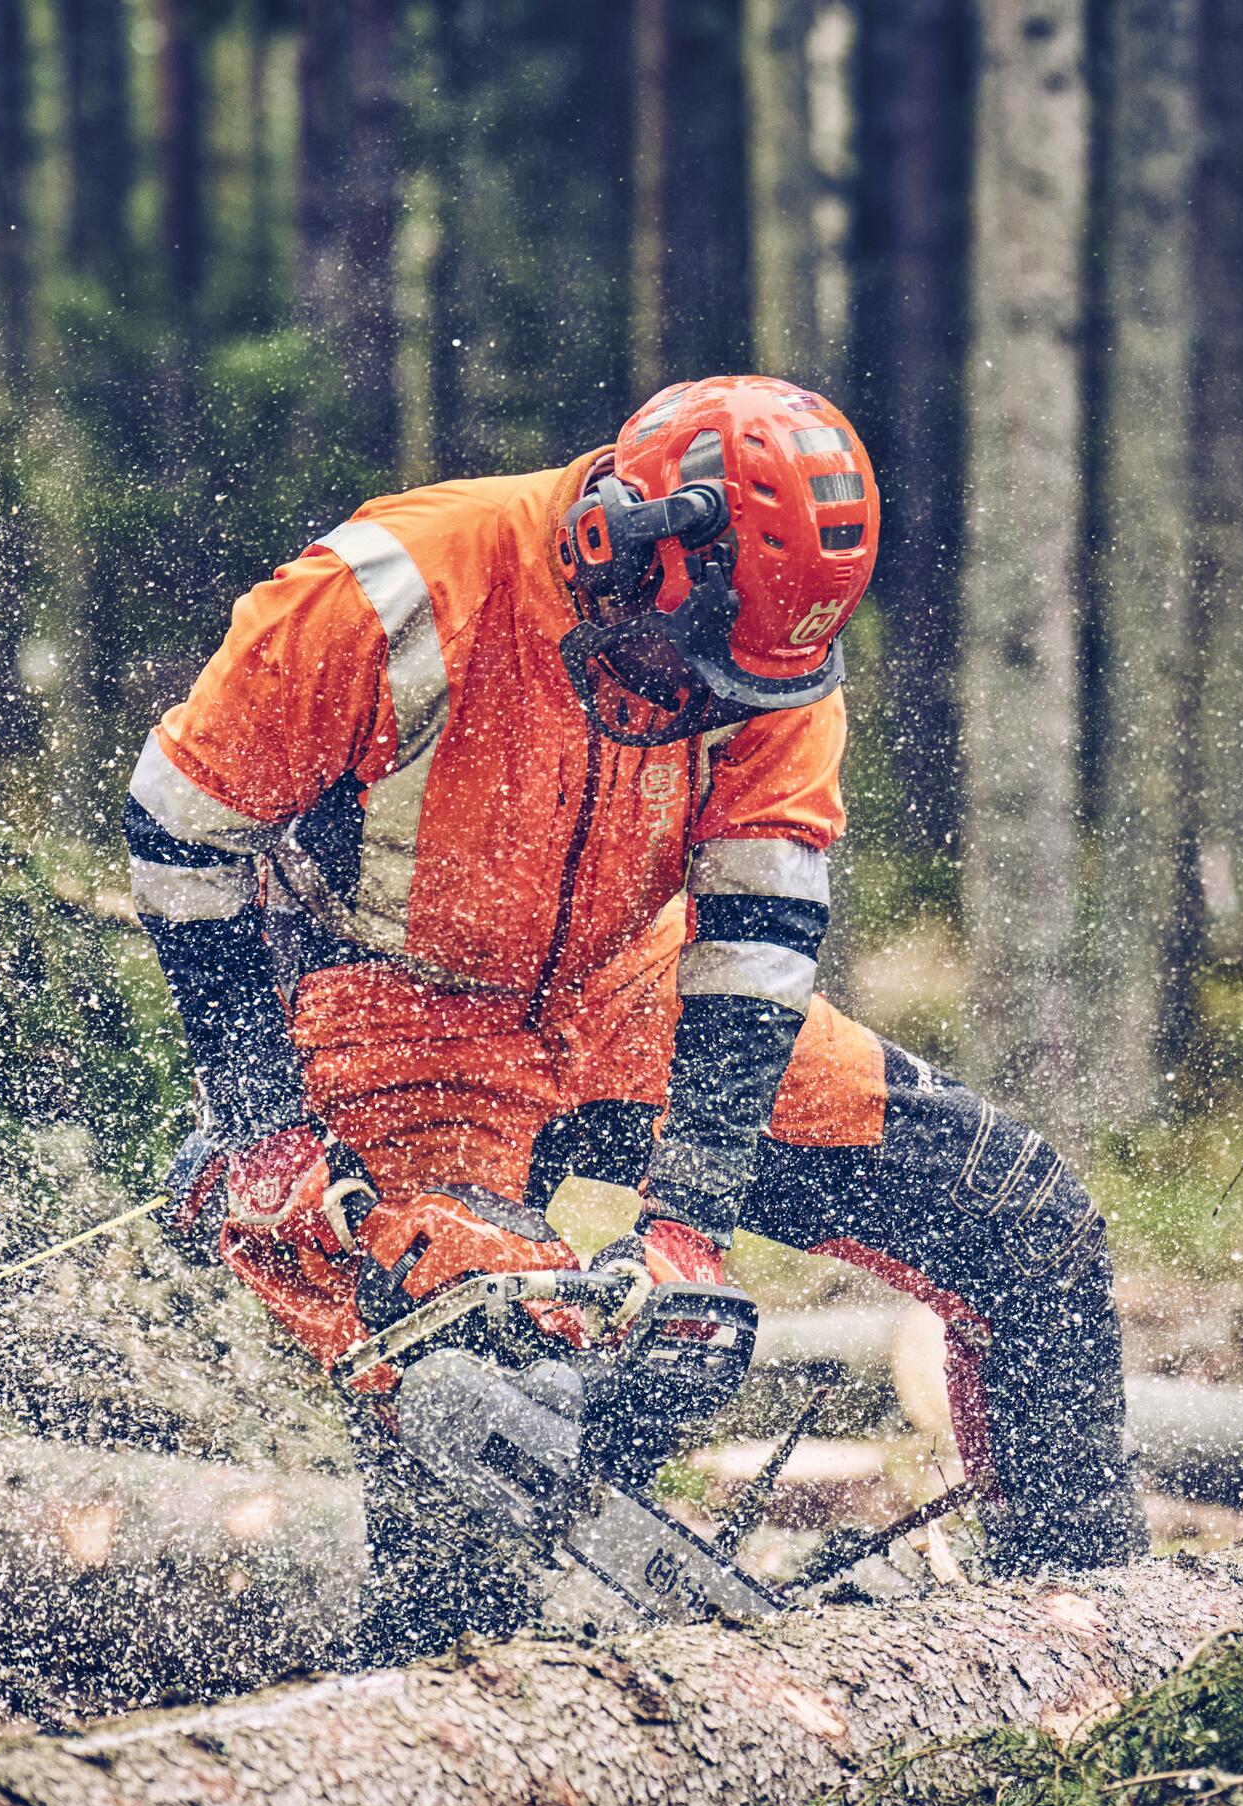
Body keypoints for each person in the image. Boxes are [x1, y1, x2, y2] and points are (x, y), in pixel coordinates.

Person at [121, 374, 1142, 1647]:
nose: (701, 707)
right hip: (396, 1002)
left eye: (733, 689)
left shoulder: (771, 657)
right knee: (477, 1369)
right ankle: (451, 1714)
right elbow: (178, 825)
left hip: (626, 979)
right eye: (685, 669)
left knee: (1017, 1217)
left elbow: (757, 938)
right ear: (615, 541)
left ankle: (1096, 1636)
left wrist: (687, 1226)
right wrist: (261, 1113)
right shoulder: (397, 591)